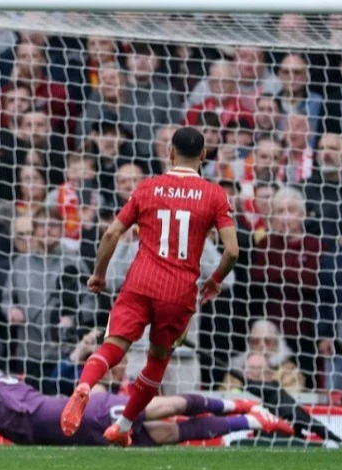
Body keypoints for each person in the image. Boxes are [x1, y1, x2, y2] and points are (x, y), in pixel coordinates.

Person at [60, 127, 240, 446]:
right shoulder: (215, 195)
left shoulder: (147, 188)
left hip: (141, 282)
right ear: (203, 156)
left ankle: (85, 385)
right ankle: (124, 425)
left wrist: (99, 274)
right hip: (179, 292)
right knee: (158, 358)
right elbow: (233, 251)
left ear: (169, 153)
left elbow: (111, 234)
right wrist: (214, 282)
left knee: (113, 345)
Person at [0, 345, 292, 446]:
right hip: (65, 437)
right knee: (162, 434)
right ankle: (253, 423)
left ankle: (240, 402)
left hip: (70, 412)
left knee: (161, 407)